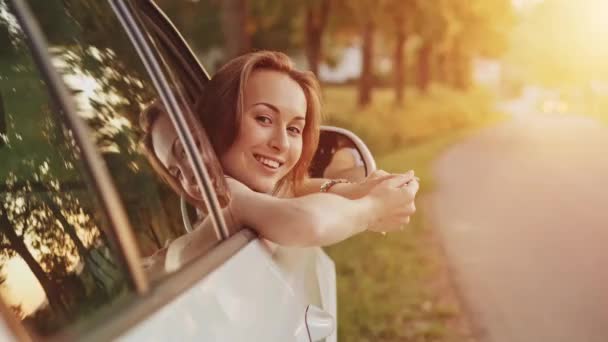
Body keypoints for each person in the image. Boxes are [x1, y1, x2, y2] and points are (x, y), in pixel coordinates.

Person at [140, 51, 419, 270]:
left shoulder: (254, 195)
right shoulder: (229, 196)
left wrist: (367, 190)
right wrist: (374, 207)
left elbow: (298, 187)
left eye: (294, 129)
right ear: (219, 122)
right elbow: (306, 221)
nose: (282, 143)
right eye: (175, 171)